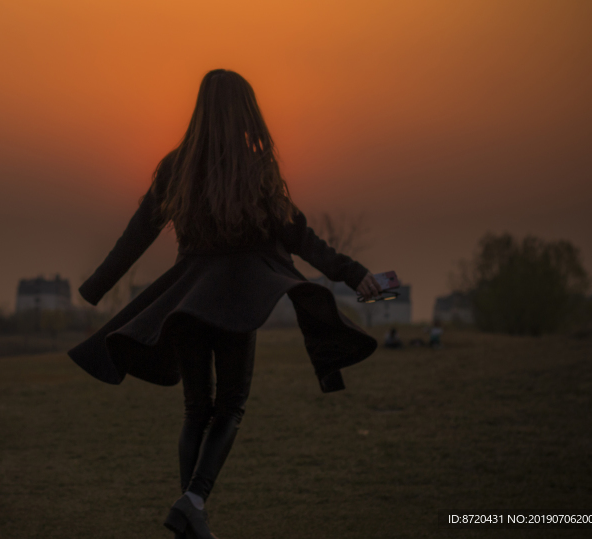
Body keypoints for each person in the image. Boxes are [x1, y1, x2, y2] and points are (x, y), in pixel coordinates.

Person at [68, 69, 383, 539]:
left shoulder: (176, 167)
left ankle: (189, 514)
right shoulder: (255, 169)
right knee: (230, 405)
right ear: (244, 111)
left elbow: (136, 236)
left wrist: (96, 286)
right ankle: (193, 503)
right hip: (238, 299)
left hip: (190, 300)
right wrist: (354, 272)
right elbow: (300, 237)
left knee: (197, 407)